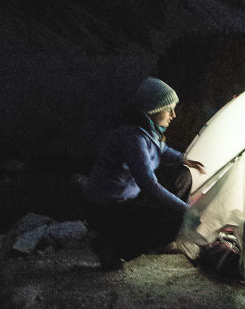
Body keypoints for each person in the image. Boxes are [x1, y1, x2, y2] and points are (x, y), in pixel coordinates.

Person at [82, 77, 205, 270]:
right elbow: (149, 184)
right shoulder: (133, 138)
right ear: (152, 110)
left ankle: (155, 235)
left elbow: (161, 149)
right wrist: (186, 210)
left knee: (183, 174)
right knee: (176, 222)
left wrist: (182, 158)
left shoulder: (147, 129)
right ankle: (112, 247)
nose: (173, 115)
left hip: (126, 198)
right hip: (106, 207)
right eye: (169, 109)